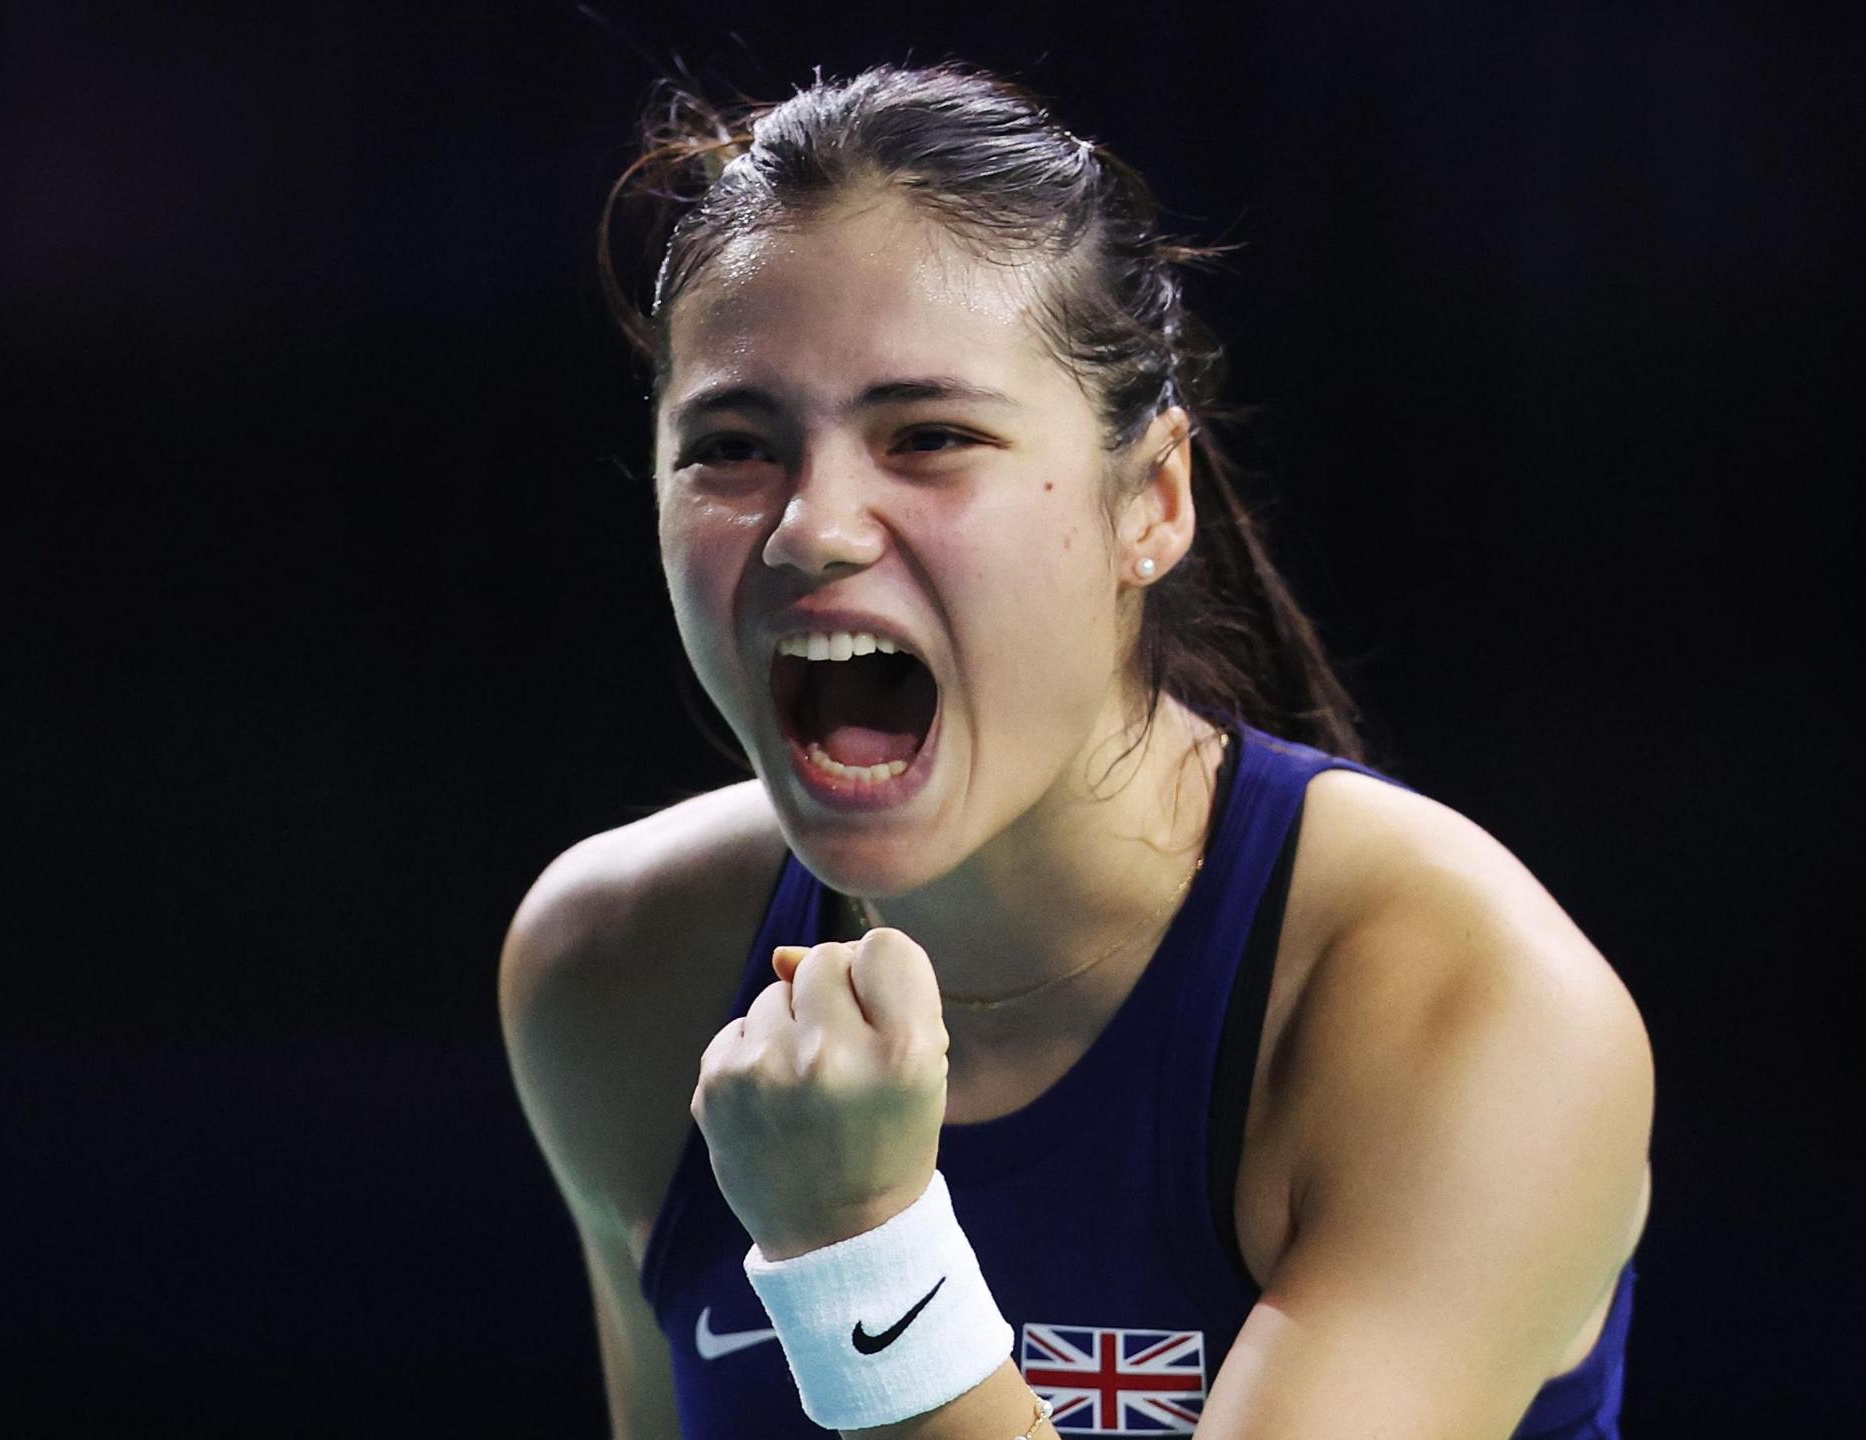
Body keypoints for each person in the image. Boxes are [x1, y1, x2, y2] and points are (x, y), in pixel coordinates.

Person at [497, 62, 1653, 1440]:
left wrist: (862, 1248)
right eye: (733, 446)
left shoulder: (1462, 1009)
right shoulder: (616, 967)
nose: (812, 528)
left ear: (1149, 503)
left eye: (928, 437)